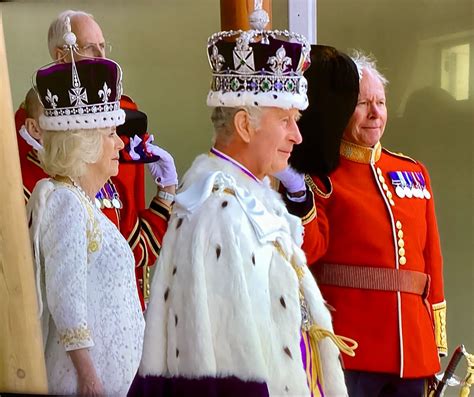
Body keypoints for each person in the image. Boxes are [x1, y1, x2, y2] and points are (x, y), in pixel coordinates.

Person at [129, 9, 356, 397]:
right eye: (285, 120)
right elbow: (218, 368)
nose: (297, 136)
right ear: (244, 125)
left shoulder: (252, 199)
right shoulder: (219, 214)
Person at [279, 50, 447, 397]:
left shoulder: (413, 173)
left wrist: (435, 341)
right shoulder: (320, 177)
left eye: (381, 103)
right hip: (351, 347)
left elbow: (432, 262)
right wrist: (298, 194)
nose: (375, 114)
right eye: (363, 104)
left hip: (413, 350)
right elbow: (307, 252)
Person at [15, 9, 177, 309]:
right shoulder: (25, 135)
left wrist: (166, 193)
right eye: (91, 47)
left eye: (104, 47)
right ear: (61, 55)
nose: (101, 56)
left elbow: (131, 235)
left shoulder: (122, 116)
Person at [27, 39, 144, 395]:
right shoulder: (65, 203)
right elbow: (67, 300)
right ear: (85, 144)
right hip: (80, 386)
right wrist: (90, 378)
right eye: (111, 135)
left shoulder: (83, 202)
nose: (122, 144)